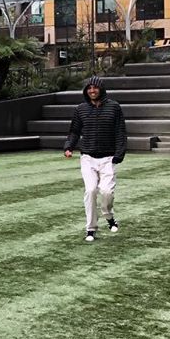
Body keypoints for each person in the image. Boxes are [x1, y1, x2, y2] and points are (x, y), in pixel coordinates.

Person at [64, 75, 127, 242]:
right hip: (87, 158)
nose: (92, 90)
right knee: (90, 191)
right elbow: (74, 131)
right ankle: (90, 229)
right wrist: (69, 146)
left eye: (95, 87)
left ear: (101, 89)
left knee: (107, 192)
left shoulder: (114, 107)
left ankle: (108, 215)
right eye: (89, 88)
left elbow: (120, 132)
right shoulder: (80, 109)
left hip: (108, 158)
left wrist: (119, 154)